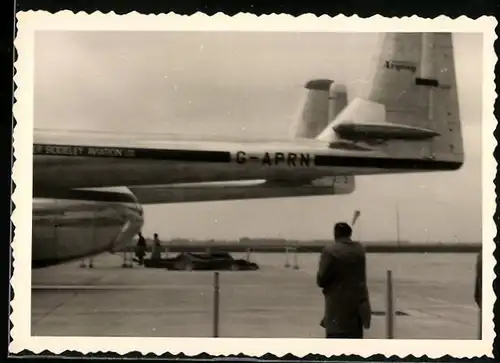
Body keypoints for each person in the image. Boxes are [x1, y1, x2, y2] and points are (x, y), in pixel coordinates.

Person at [316, 222, 371, 339]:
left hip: (336, 309)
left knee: (335, 345)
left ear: (335, 234)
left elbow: (321, 280)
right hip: (356, 310)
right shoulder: (360, 250)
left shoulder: (329, 250)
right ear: (350, 233)